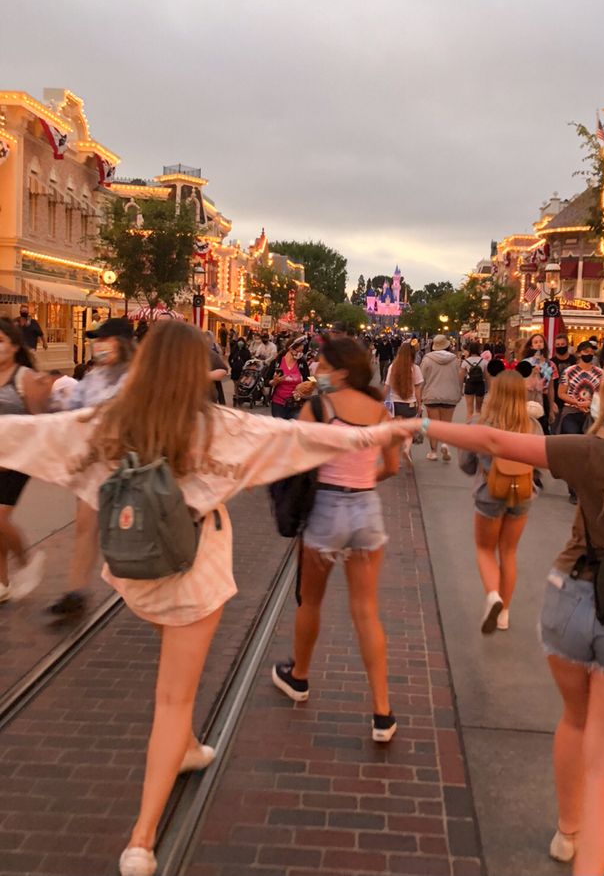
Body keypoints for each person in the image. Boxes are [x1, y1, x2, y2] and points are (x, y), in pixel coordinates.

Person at [0, 320, 399, 876]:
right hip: (192, 571)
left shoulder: (106, 420)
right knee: (172, 699)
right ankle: (141, 838)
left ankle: (186, 747)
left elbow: (28, 436)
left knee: (172, 675)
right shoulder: (219, 426)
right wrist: (385, 431)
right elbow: (303, 440)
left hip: (134, 570)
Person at [400, 354, 604, 876]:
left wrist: (418, 421)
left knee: (575, 721)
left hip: (571, 598)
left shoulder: (590, 451)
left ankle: (567, 831)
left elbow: (491, 441)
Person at [271, 335, 401, 742]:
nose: (318, 373)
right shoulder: (381, 411)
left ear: (342, 371)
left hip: (326, 510)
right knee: (366, 610)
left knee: (311, 601)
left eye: (324, 367)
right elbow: (392, 467)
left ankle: (301, 676)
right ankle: (382, 712)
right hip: (366, 510)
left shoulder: (318, 407)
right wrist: (362, 481)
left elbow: (289, 454)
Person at [48, 317, 137, 616]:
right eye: (96, 340)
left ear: (122, 343)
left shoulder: (139, 376)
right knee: (85, 526)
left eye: (105, 339)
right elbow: (72, 407)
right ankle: (76, 592)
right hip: (94, 466)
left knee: (134, 532)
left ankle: (160, 583)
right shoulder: (93, 377)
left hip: (131, 468)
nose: (98, 345)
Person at [459, 370, 542, 633]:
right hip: (522, 492)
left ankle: (493, 595)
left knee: (485, 549)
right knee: (509, 552)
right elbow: (542, 463)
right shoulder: (533, 426)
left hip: (489, 492)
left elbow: (466, 463)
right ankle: (504, 611)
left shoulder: (479, 424)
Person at [0, 318, 51, 602]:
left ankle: (27, 561)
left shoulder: (26, 378)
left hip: (15, 460)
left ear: (15, 346)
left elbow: (41, 425)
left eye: (0, 342)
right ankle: (2, 581)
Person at [556, 340, 604, 504]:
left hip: (592, 413)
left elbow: (602, 394)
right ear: (579, 353)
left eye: (591, 351)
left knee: (590, 450)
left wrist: (591, 404)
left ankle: (587, 487)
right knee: (575, 447)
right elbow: (561, 392)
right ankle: (574, 489)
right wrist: (577, 403)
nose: (589, 354)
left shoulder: (600, 373)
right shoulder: (569, 371)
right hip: (572, 412)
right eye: (586, 351)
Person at [420, 334, 463, 462]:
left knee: (432, 424)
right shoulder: (455, 359)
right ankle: (445, 444)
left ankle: (433, 451)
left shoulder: (427, 359)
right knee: (446, 423)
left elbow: (422, 379)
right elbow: (458, 377)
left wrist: (419, 396)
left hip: (431, 395)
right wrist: (459, 391)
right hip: (449, 395)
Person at [385, 342, 424, 468]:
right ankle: (406, 449)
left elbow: (387, 386)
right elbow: (418, 389)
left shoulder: (393, 367)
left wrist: (380, 399)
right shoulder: (415, 368)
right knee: (409, 430)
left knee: (397, 431)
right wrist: (420, 403)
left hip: (395, 404)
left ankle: (396, 458)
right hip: (410, 403)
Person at [265, 335, 314, 420]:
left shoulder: (302, 363)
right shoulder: (277, 362)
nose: (300, 354)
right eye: (298, 351)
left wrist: (313, 382)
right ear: (290, 349)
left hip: (296, 404)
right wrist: (273, 382)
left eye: (302, 352)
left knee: (294, 430)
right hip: (278, 403)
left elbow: (309, 379)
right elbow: (266, 381)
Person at [519, 333, 558, 432]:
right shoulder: (525, 363)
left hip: (543, 398)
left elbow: (550, 387)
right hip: (528, 397)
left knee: (542, 427)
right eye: (536, 342)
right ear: (531, 346)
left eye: (541, 342)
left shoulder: (551, 364)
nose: (539, 344)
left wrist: (551, 406)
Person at [461, 341, 488, 418]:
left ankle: (468, 426)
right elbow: (487, 376)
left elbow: (461, 376)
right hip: (480, 384)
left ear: (470, 350)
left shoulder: (465, 362)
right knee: (479, 410)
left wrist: (460, 389)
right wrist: (490, 388)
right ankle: (478, 427)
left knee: (469, 410)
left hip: (469, 384)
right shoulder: (484, 361)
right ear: (479, 350)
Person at [551, 335, 575, 417]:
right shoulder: (551, 362)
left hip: (572, 401)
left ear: (567, 344)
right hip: (555, 401)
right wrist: (551, 401)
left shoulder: (574, 360)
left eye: (562, 344)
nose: (560, 346)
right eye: (558, 345)